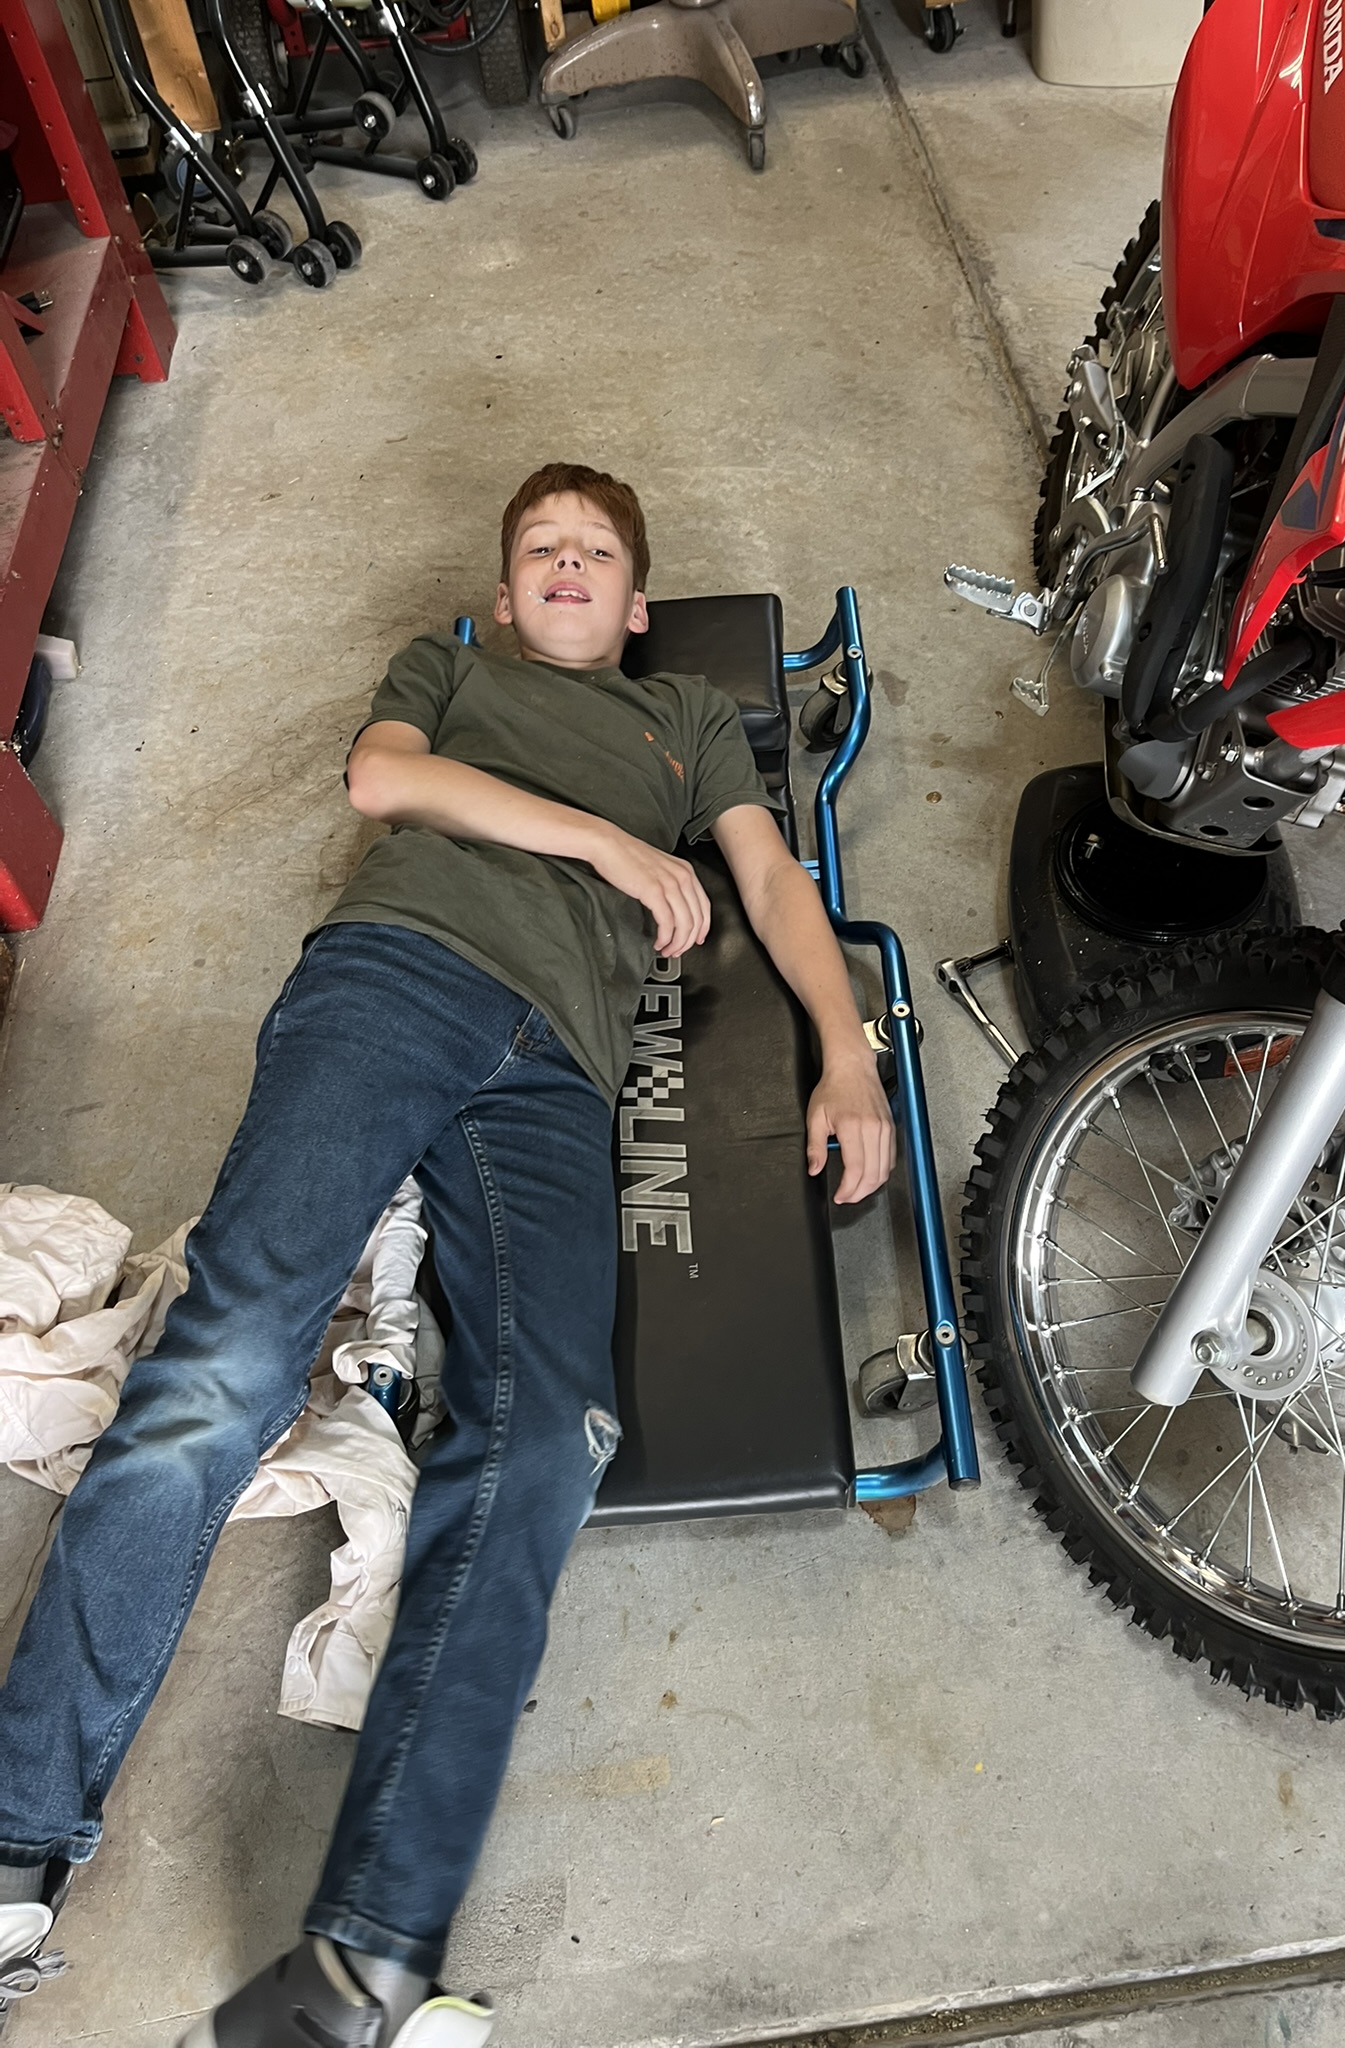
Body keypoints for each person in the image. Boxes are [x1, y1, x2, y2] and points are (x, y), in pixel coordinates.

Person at [0, 464, 895, 2048]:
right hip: (393, 979)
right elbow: (384, 781)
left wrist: (847, 1051)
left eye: (597, 550)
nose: (568, 562)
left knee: (550, 1437)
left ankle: (362, 1967)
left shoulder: (688, 718)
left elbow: (770, 879)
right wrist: (608, 848)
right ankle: (14, 1840)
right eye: (542, 546)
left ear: (638, 606)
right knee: (227, 1364)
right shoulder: (451, 667)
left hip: (559, 1075)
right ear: (503, 595)